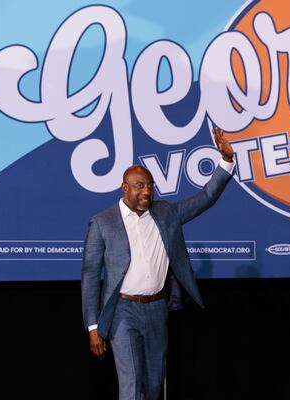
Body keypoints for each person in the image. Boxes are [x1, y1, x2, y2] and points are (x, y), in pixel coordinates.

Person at [81, 126, 235, 400]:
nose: (147, 191)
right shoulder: (102, 223)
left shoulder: (166, 213)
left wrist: (226, 161)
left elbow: (206, 197)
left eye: (150, 185)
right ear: (125, 187)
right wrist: (93, 327)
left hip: (156, 309)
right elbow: (91, 275)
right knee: (131, 386)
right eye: (140, 186)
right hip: (122, 312)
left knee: (153, 386)